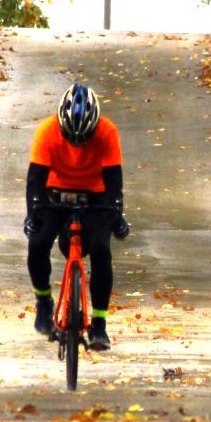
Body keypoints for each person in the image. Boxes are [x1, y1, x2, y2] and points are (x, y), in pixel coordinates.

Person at [23, 83, 129, 351]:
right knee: (37, 243)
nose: (78, 145)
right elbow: (35, 180)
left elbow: (114, 180)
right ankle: (44, 302)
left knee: (101, 251)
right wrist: (32, 213)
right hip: (56, 194)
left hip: (95, 196)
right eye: (71, 138)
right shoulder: (47, 131)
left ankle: (100, 325)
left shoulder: (107, 132)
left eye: (84, 139)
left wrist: (117, 213)